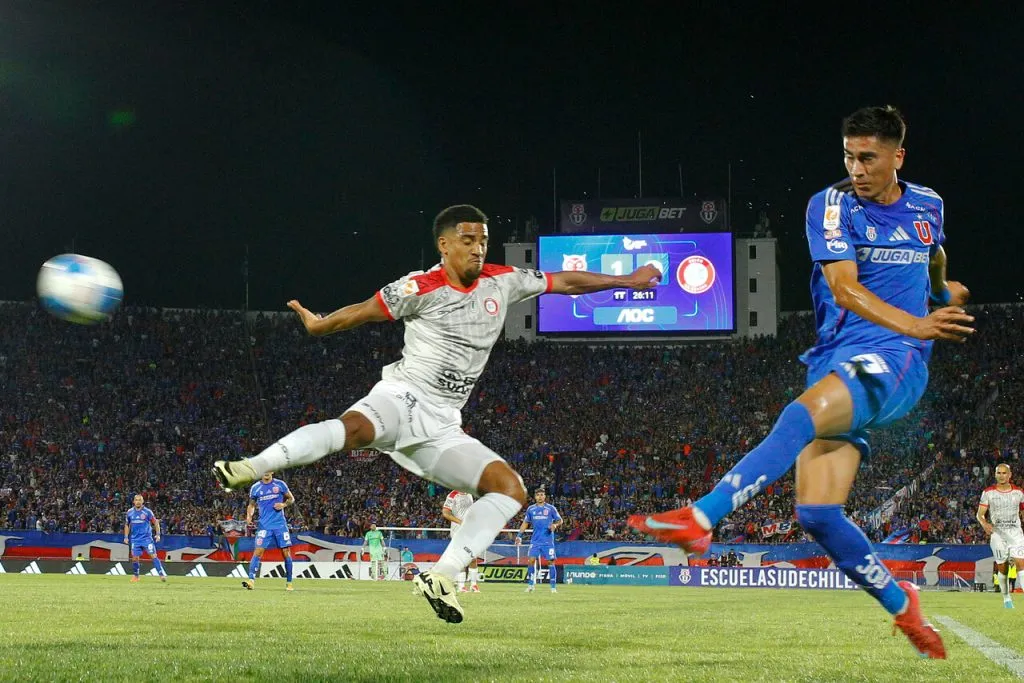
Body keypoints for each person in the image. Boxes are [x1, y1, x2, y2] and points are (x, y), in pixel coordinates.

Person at [630, 106, 974, 659]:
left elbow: (933, 256)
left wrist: (939, 295)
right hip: (837, 357)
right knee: (817, 513)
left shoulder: (927, 203)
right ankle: (901, 603)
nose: (855, 168)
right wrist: (922, 315)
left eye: (867, 157)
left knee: (799, 414)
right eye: (848, 156)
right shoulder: (831, 206)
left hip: (897, 358)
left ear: (897, 157)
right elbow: (843, 289)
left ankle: (702, 518)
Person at [213, 204, 660, 623]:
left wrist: (628, 281)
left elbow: (564, 282)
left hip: (444, 423)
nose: (478, 248)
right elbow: (366, 311)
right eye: (468, 239)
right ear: (444, 245)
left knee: (510, 489)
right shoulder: (419, 287)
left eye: (483, 240)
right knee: (354, 429)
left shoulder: (501, 281)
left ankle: (442, 576)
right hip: (402, 398)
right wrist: (319, 324)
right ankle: (253, 466)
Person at [976, 463, 1024, 609]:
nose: (1002, 476)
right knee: (1002, 568)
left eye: (1004, 473)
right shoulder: (988, 492)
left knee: (1021, 563)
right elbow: (979, 515)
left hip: (1015, 533)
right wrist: (984, 524)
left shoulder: (1019, 492)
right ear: (995, 475)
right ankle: (1006, 598)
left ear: (1010, 475)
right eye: (999, 473)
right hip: (997, 534)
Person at [243, 472, 296, 592]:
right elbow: (251, 505)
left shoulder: (280, 484)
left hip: (280, 525)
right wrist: (249, 517)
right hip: (264, 526)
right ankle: (251, 580)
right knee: (258, 551)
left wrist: (283, 504)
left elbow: (291, 499)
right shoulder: (255, 487)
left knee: (286, 552)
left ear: (272, 471)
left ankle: (289, 582)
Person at [517, 488, 563, 593]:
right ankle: (530, 585)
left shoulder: (551, 508)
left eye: (542, 495)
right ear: (535, 497)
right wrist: (519, 535)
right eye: (538, 495)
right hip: (535, 541)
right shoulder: (531, 509)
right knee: (531, 561)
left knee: (551, 562)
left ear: (545, 496)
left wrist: (555, 525)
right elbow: (525, 523)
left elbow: (560, 520)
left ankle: (553, 587)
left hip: (548, 541)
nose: (540, 497)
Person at [123, 494, 167, 583]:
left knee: (153, 556)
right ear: (133, 501)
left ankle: (161, 574)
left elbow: (156, 522)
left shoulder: (147, 512)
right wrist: (126, 537)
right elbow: (127, 525)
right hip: (135, 539)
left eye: (140, 500)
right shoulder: (129, 512)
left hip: (147, 539)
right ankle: (136, 576)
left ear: (143, 501)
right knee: (135, 558)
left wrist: (158, 534)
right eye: (136, 500)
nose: (138, 501)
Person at [442, 490, 480, 592]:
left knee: (473, 557)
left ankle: (473, 585)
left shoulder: (469, 494)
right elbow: (445, 513)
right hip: (457, 530)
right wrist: (460, 522)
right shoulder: (452, 495)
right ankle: (461, 586)